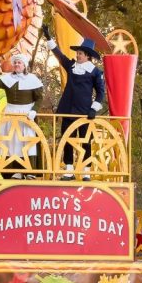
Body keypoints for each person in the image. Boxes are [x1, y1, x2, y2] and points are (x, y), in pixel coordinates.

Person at [43, 25, 106, 180]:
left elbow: (101, 92)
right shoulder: (71, 66)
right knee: (67, 139)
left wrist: (94, 108)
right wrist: (49, 38)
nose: (77, 55)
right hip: (67, 109)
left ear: (87, 56)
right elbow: (60, 55)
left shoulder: (95, 72)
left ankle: (86, 172)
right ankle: (69, 170)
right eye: (77, 53)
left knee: (85, 141)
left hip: (85, 112)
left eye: (80, 53)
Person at [0, 52, 44, 178]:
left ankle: (30, 171)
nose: (17, 64)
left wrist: (34, 110)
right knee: (13, 143)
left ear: (24, 65)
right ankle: (16, 172)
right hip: (11, 113)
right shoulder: (8, 78)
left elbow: (39, 98)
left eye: (19, 62)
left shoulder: (32, 79)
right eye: (15, 63)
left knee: (28, 142)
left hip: (27, 114)